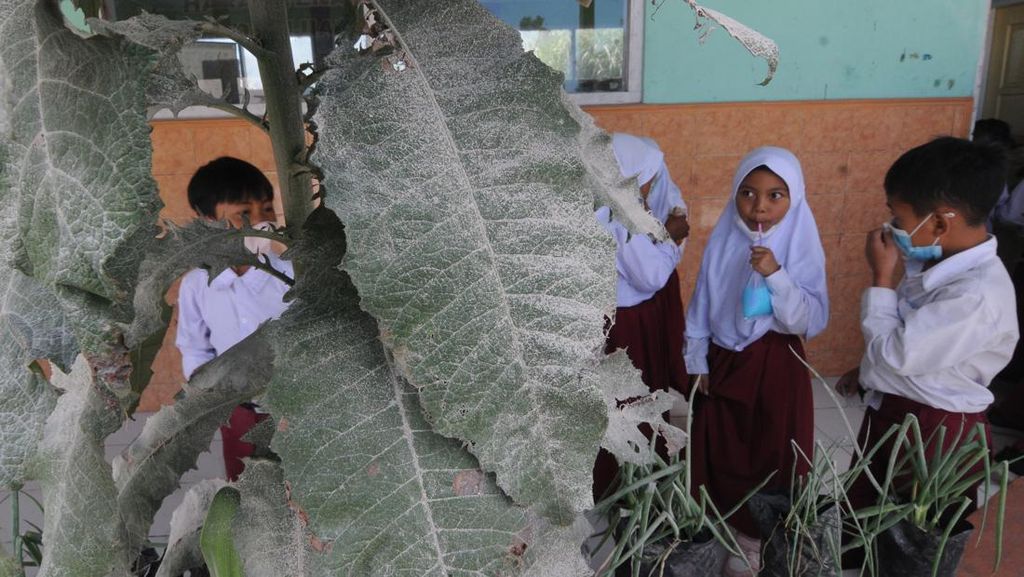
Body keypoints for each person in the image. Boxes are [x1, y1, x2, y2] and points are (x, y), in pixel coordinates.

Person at [836, 136, 1018, 515]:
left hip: (935, 433)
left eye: (898, 218)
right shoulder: (935, 261)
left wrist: (882, 279)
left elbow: (898, 354)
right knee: (867, 521)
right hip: (899, 411)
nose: (890, 227)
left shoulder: (976, 296)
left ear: (937, 222)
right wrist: (868, 370)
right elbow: (912, 334)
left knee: (913, 535)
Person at [684, 147, 829, 577]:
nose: (759, 207)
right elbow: (703, 302)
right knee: (722, 447)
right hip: (724, 360)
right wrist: (697, 359)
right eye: (748, 193)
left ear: (795, 198)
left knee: (770, 453)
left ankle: (757, 539)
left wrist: (775, 274)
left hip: (774, 365)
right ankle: (723, 524)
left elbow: (809, 320)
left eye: (775, 195)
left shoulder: (800, 243)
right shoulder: (725, 237)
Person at [175, 156, 293, 481]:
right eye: (244, 213)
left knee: (298, 488)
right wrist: (209, 398)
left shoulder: (292, 272)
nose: (261, 221)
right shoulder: (198, 284)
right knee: (245, 488)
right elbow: (195, 347)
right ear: (207, 220)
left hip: (294, 409)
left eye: (267, 209)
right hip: (237, 411)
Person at [591, 133, 690, 500]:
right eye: (644, 179)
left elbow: (670, 196)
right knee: (632, 399)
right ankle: (629, 484)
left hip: (616, 318)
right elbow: (650, 275)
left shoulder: (606, 203)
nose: (651, 186)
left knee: (624, 399)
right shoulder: (615, 219)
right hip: (626, 323)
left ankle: (624, 477)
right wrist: (670, 239)